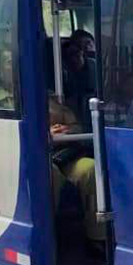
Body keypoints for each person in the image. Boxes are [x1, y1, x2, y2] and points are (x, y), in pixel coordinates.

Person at [49, 94, 106, 248]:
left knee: (90, 168)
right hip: (35, 156)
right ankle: (48, 233)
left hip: (62, 154)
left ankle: (97, 236)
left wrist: (66, 130)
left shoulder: (50, 99)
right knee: (50, 174)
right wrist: (46, 133)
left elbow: (76, 126)